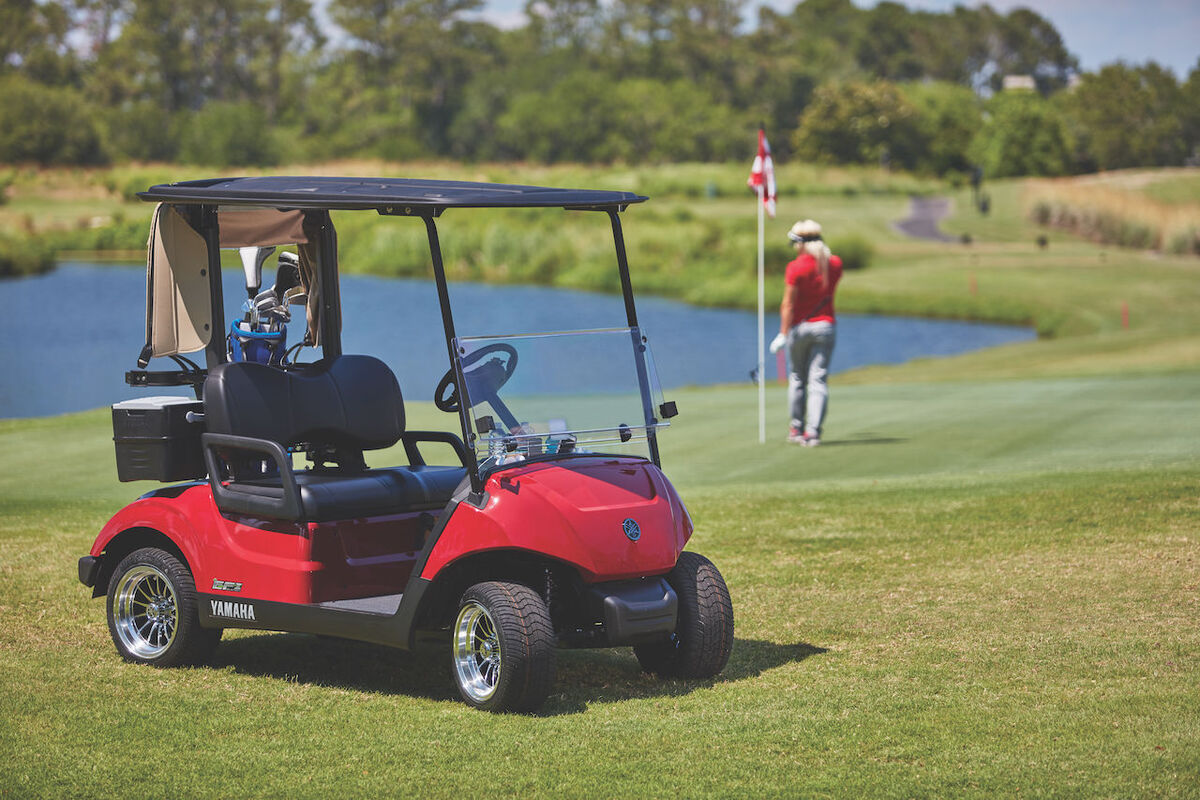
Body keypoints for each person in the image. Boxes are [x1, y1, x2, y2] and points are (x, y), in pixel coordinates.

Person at [769, 219, 843, 446]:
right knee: (818, 380)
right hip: (826, 327)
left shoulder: (796, 267)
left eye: (794, 242)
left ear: (801, 243)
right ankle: (813, 432)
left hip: (800, 329)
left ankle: (797, 428)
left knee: (798, 378)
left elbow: (788, 304)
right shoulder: (835, 263)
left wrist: (782, 333)